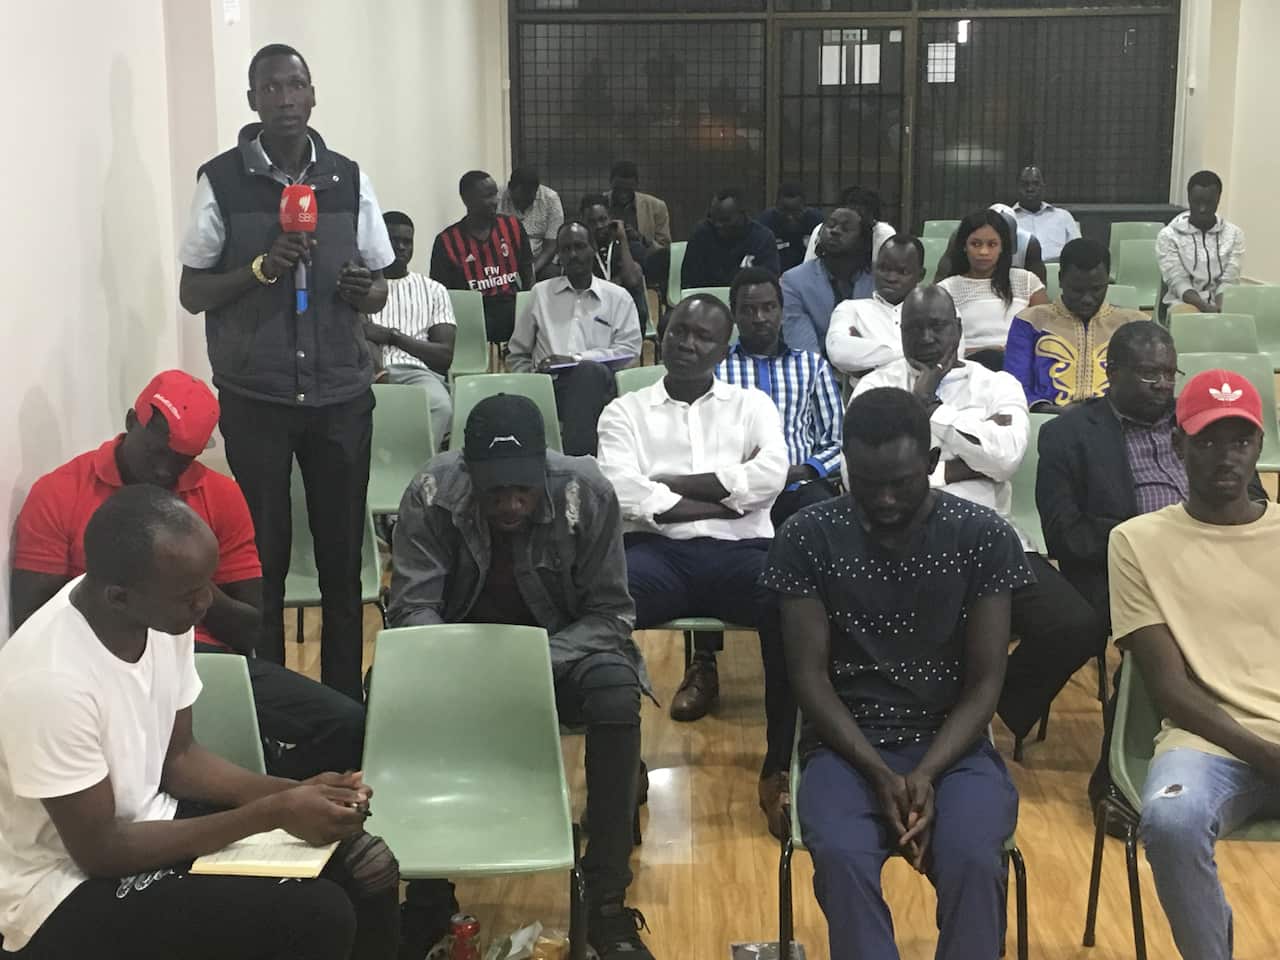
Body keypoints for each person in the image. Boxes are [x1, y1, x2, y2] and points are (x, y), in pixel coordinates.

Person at [0, 484, 399, 958]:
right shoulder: (48, 681)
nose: (205, 604)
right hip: (57, 888)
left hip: (151, 822)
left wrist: (293, 791)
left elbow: (180, 758)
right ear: (119, 597)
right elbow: (100, 850)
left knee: (367, 865)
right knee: (316, 915)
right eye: (190, 594)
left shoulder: (161, 613)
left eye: (206, 585)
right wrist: (270, 813)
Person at [765, 386, 1030, 959]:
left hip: (954, 747)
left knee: (973, 858)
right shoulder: (807, 536)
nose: (883, 498)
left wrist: (926, 773)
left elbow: (986, 680)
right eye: (866, 481)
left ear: (932, 464)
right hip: (844, 746)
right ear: (845, 464)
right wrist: (882, 774)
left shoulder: (981, 535)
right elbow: (808, 680)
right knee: (839, 854)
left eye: (901, 483)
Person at [388, 395, 653, 960]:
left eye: (523, 490)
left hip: (563, 654)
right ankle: (429, 895)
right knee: (392, 692)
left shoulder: (587, 491)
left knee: (615, 694)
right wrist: (467, 667)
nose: (510, 504)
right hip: (460, 659)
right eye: (494, 492)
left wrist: (526, 661)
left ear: (543, 470)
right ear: (468, 474)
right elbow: (413, 608)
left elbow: (611, 615)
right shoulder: (432, 492)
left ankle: (605, 900)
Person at [10, 370, 366, 782]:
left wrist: (188, 585)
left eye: (181, 461)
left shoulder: (219, 495)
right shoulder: (59, 492)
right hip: (102, 663)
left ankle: (261, 796)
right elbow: (33, 622)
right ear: (131, 422)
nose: (164, 471)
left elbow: (251, 628)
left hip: (201, 660)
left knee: (347, 724)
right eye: (156, 452)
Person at [178, 43, 393, 701]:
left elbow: (382, 285)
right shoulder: (220, 181)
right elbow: (193, 292)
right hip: (257, 398)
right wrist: (260, 269)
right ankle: (272, 701)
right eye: (269, 89)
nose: (285, 99)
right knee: (261, 563)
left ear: (312, 94)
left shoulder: (349, 180)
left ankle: (339, 704)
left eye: (295, 85)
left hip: (341, 396)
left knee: (341, 564)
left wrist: (366, 290)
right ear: (252, 102)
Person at [855, 286, 1106, 740]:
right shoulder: (875, 388)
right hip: (905, 543)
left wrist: (932, 412)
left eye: (938, 325)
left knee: (1076, 624)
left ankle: (986, 705)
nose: (928, 337)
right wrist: (961, 467)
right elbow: (863, 480)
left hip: (993, 541)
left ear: (959, 328)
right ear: (901, 331)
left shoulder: (997, 385)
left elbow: (1006, 460)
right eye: (915, 327)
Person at [596, 295, 794, 837]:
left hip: (742, 554)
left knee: (796, 610)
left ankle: (780, 767)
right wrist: (728, 494)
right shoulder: (624, 410)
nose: (687, 343)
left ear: (724, 348)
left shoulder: (752, 404)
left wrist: (668, 485)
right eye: (678, 331)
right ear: (660, 333)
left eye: (703, 336)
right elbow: (620, 488)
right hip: (656, 556)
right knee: (602, 612)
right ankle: (621, 769)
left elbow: (772, 476)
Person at [1109, 368, 1278, 960]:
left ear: (1261, 445)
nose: (1225, 457)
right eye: (1206, 440)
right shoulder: (1135, 542)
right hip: (1207, 741)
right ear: (1177, 445)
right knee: (1171, 821)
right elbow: (1170, 689)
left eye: (1240, 440)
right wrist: (1268, 756)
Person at [717, 267, 843, 526]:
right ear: (734, 315)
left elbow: (838, 441)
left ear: (782, 311)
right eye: (749, 310)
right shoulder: (716, 368)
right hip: (734, 489)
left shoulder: (812, 366)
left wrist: (802, 470)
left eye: (769, 307)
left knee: (827, 519)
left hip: (799, 487)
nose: (760, 317)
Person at [508, 221, 642, 457]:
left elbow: (630, 352)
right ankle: (582, 465)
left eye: (579, 247)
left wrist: (575, 359)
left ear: (592, 249)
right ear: (558, 255)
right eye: (566, 249)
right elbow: (517, 353)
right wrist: (532, 379)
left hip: (599, 387)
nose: (573, 255)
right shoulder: (540, 293)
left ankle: (576, 462)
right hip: (550, 386)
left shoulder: (617, 298)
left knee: (587, 373)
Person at [1004, 237, 1147, 411]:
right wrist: (1052, 411)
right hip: (1047, 421)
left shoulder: (1135, 324)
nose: (1087, 299)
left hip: (1117, 424)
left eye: (1096, 289)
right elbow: (1015, 387)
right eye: (1077, 290)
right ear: (1060, 280)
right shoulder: (1030, 321)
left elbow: (1146, 387)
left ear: (1108, 281)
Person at [364, 211, 456, 447]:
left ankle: (418, 471)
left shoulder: (434, 290)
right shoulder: (363, 287)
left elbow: (444, 355)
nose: (401, 247)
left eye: (407, 242)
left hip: (418, 373)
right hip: (368, 372)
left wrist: (392, 336)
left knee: (441, 405)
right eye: (394, 241)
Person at [430, 169, 534, 343]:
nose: (495, 201)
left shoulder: (512, 227)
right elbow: (441, 292)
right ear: (467, 200)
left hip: (510, 307)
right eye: (487, 196)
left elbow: (527, 270)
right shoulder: (447, 241)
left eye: (495, 194)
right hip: (472, 316)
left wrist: (528, 303)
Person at [938, 209, 1048, 371]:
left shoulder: (1027, 281)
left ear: (1003, 247)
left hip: (1020, 366)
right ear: (964, 246)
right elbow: (940, 345)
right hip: (966, 369)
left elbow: (1045, 335)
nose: (983, 252)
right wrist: (985, 352)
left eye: (992, 244)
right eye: (976, 244)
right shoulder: (946, 289)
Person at [826, 234, 927, 377]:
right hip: (872, 396)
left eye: (902, 271)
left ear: (920, 275)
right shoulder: (850, 309)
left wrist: (868, 359)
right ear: (874, 268)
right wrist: (918, 354)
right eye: (884, 268)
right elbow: (837, 352)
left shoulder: (939, 311)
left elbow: (953, 354)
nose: (891, 278)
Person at [782, 207, 875, 357]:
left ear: (863, 240)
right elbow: (803, 351)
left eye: (846, 228)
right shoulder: (794, 282)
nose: (835, 231)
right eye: (830, 225)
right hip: (818, 371)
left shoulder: (878, 280)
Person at [1157, 169, 1245, 315]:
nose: (1202, 209)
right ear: (1189, 199)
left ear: (1218, 199)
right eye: (1196, 202)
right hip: (1182, 302)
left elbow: (1229, 280)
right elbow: (1178, 282)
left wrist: (1220, 308)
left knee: (1244, 316)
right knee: (1191, 317)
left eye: (1209, 203)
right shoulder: (1169, 236)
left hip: (1221, 301)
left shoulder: (1234, 234)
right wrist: (1204, 308)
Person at [680, 188, 781, 289]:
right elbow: (689, 282)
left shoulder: (762, 238)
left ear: (742, 214)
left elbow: (769, 284)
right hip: (708, 299)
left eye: (725, 220)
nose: (717, 225)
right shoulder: (701, 234)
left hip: (749, 298)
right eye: (712, 218)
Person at [581, 194, 650, 334]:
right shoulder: (581, 249)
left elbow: (631, 279)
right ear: (584, 223)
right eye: (592, 222)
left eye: (602, 219)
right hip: (593, 313)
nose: (598, 226)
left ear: (611, 218)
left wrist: (623, 238)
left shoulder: (626, 244)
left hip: (623, 311)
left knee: (635, 272)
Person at [497, 165, 565, 281]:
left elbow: (551, 246)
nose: (523, 204)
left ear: (537, 191)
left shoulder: (550, 199)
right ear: (510, 188)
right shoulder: (497, 197)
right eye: (518, 200)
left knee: (552, 275)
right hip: (504, 260)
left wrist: (530, 272)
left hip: (540, 261)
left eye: (528, 199)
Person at [802, 185, 897, 266]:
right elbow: (810, 268)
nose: (835, 231)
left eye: (861, 217)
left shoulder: (883, 232)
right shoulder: (824, 229)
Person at [1012, 165, 1081, 261]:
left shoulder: (1063, 217)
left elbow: (1078, 250)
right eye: (1025, 184)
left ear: (1043, 187)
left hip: (1059, 272)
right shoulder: (1008, 219)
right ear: (1017, 188)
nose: (1030, 189)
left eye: (1036, 184)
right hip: (1021, 272)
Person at [759, 182, 824, 272]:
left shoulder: (816, 221)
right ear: (776, 207)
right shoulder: (766, 221)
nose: (790, 217)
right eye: (784, 211)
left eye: (796, 212)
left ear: (805, 208)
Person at [608, 159, 671, 251]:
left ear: (637, 185)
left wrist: (641, 239)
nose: (623, 194)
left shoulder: (656, 207)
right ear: (611, 183)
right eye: (618, 189)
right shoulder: (598, 205)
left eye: (628, 190)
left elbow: (665, 249)